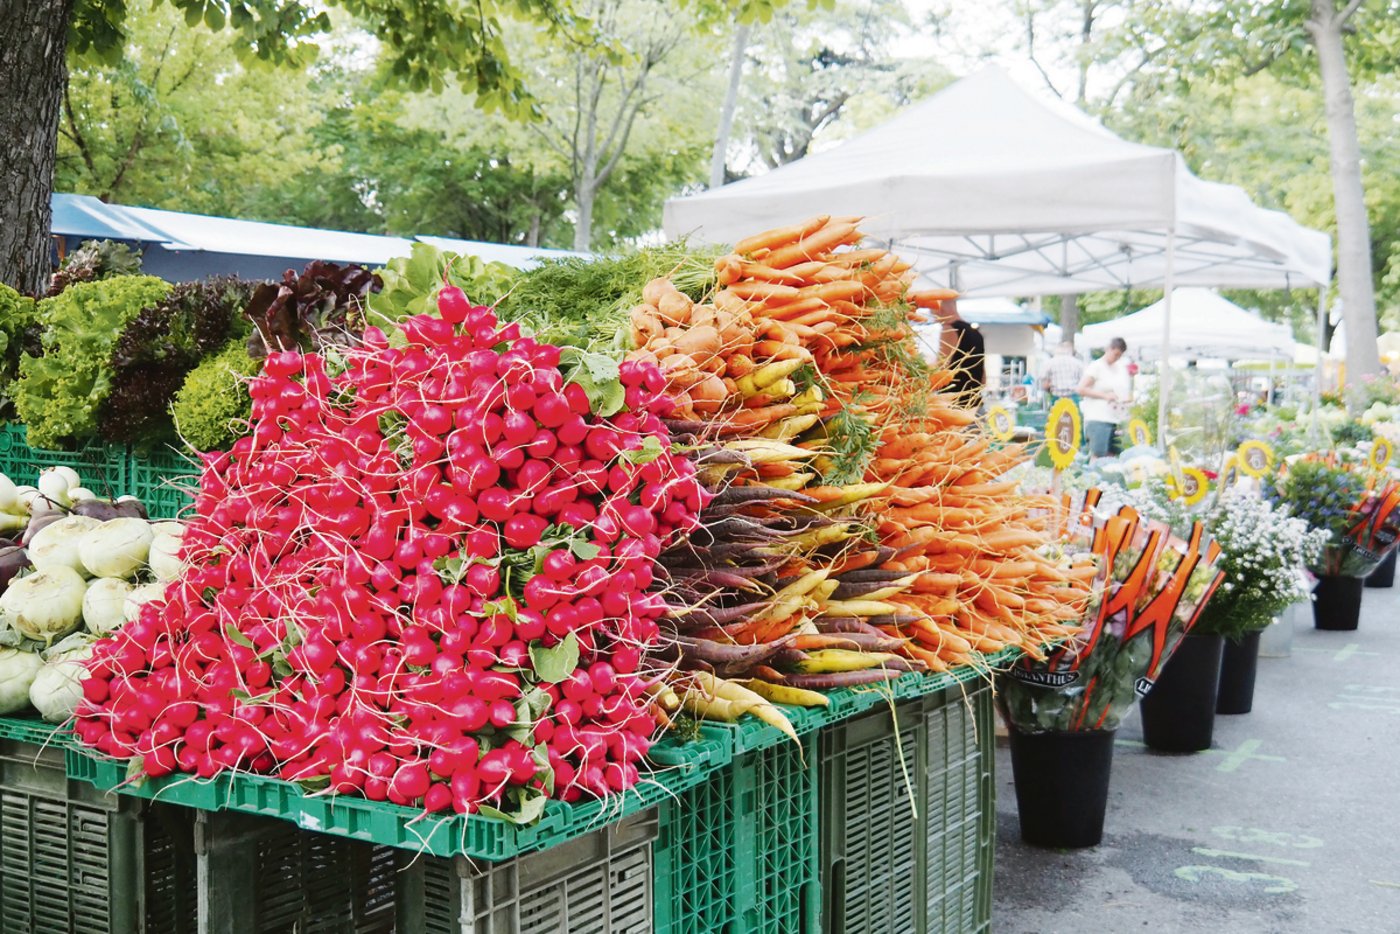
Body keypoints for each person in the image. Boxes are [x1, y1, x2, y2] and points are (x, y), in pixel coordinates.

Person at [1077, 337, 1132, 458]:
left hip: (1115, 419)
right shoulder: (1096, 366)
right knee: (1098, 454)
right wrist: (1105, 396)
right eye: (1115, 354)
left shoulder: (1119, 368)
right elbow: (1081, 389)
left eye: (1120, 356)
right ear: (1108, 349)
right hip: (1098, 418)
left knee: (1113, 455)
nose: (1117, 358)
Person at [934, 299, 986, 409]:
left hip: (953, 403)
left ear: (939, 309)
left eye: (931, 310)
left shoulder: (949, 329)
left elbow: (942, 366)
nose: (933, 316)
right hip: (974, 402)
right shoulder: (976, 333)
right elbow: (983, 377)